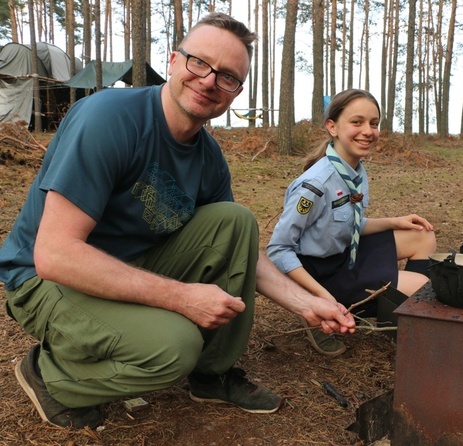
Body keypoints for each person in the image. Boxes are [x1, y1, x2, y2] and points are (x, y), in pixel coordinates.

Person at [0, 13, 355, 430]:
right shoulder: (109, 120)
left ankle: (212, 374)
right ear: (172, 61)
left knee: (236, 222)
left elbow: (240, 253)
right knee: (174, 347)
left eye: (227, 77)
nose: (208, 81)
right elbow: (55, 255)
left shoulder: (208, 158)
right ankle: (52, 376)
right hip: (45, 282)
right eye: (199, 63)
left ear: (236, 93)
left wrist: (307, 304)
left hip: (128, 264)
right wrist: (183, 299)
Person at [266, 89, 436, 357]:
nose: (367, 131)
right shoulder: (315, 185)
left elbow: (346, 225)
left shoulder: (354, 169)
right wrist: (319, 297)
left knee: (422, 235)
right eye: (357, 122)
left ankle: (395, 316)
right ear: (332, 127)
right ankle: (328, 311)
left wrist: (395, 221)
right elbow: (278, 249)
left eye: (373, 123)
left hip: (346, 255)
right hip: (322, 274)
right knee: (420, 286)